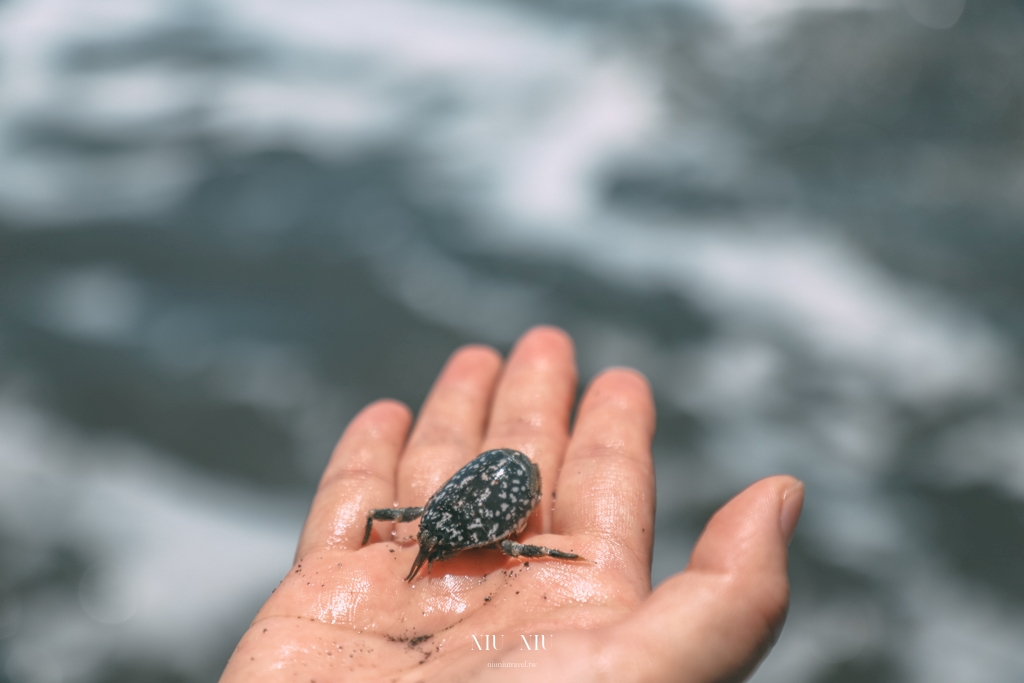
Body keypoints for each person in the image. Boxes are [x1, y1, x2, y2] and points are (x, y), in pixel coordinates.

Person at [220, 326, 804, 682]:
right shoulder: (453, 528)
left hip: (503, 476)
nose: (432, 549)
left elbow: (513, 542)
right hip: (500, 479)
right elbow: (415, 520)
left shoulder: (477, 535)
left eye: (439, 543)